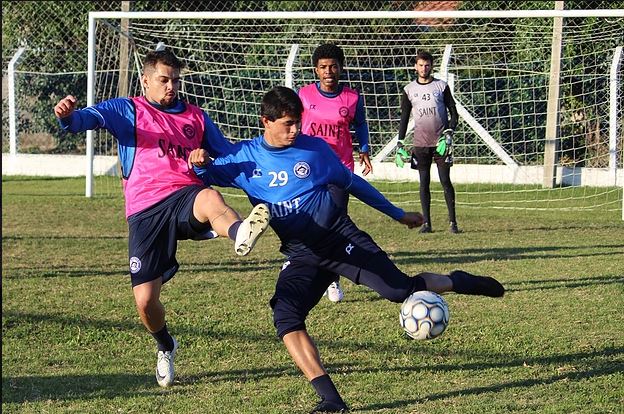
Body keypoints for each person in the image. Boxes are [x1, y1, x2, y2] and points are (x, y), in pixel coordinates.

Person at [189, 86, 505, 413]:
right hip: (303, 254)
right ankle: (331, 400)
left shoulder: (315, 151)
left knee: (399, 291)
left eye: (298, 122)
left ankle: (458, 280)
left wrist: (398, 214)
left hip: (341, 241)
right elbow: (207, 172)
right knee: (286, 317)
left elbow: (354, 184)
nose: (296, 130)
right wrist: (198, 163)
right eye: (287, 124)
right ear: (265, 122)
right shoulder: (244, 158)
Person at [53, 49, 270, 388]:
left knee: (210, 197)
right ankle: (166, 346)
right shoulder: (127, 110)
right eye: (164, 80)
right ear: (146, 81)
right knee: (145, 302)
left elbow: (227, 155)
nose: (171, 87)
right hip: (144, 210)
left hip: (186, 195)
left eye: (176, 80)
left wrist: (205, 162)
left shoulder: (196, 117)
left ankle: (241, 230)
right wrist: (68, 116)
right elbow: (86, 120)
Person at [298, 43, 373, 303]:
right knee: (307, 220)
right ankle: (302, 263)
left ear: (341, 68)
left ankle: (333, 279)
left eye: (333, 66)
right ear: (315, 70)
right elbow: (292, 125)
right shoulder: (304, 96)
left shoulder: (352, 98)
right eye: (323, 67)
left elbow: (361, 124)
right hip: (308, 169)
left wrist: (364, 149)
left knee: (335, 221)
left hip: (340, 169)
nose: (328, 71)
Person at [397, 50, 460, 234]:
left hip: (441, 143)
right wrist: (400, 142)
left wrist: (449, 131)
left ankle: (453, 223)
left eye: (427, 65)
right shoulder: (409, 90)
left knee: (445, 181)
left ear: (431, 66)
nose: (424, 68)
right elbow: (404, 117)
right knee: (423, 182)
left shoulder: (441, 86)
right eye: (421, 65)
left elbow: (454, 113)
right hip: (421, 144)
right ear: (415, 66)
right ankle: (427, 224)